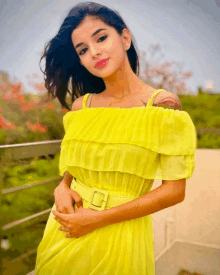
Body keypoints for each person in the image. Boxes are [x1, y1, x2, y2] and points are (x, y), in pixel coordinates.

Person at [35, 2, 197, 274]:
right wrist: (62, 187)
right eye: (83, 50)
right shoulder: (81, 107)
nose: (94, 52)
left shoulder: (162, 106)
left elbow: (174, 191)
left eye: (101, 38)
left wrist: (97, 220)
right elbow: (75, 170)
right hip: (65, 230)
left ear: (124, 38)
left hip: (120, 234)